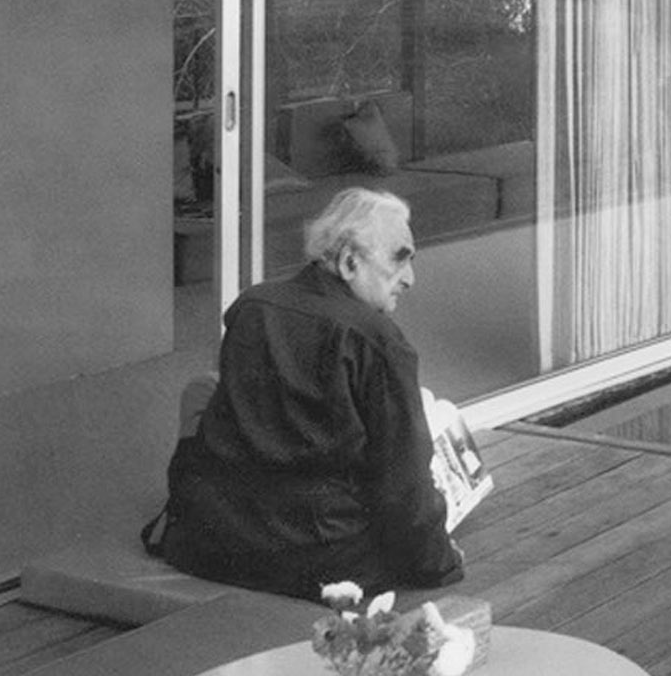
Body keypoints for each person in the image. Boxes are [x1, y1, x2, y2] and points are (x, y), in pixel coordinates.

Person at [153, 188, 464, 598]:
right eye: (399, 258)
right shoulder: (378, 340)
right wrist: (441, 564)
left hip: (216, 547)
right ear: (350, 262)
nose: (410, 278)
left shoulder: (253, 305)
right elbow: (402, 482)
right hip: (317, 563)